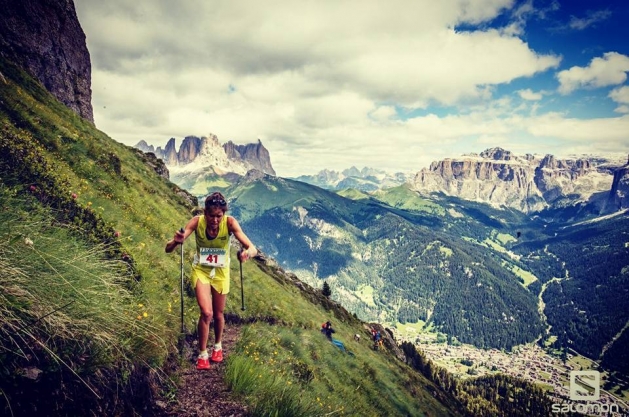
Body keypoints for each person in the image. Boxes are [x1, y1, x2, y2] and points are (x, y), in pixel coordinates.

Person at [165, 192, 257, 370]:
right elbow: (168, 249)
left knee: (218, 314)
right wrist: (176, 242)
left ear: (223, 214)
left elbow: (252, 247)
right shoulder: (196, 222)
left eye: (218, 216)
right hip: (201, 270)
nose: (215, 220)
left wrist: (246, 254)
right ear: (205, 213)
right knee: (206, 313)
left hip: (221, 272)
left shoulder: (230, 223)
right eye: (211, 216)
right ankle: (202, 353)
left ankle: (218, 345)